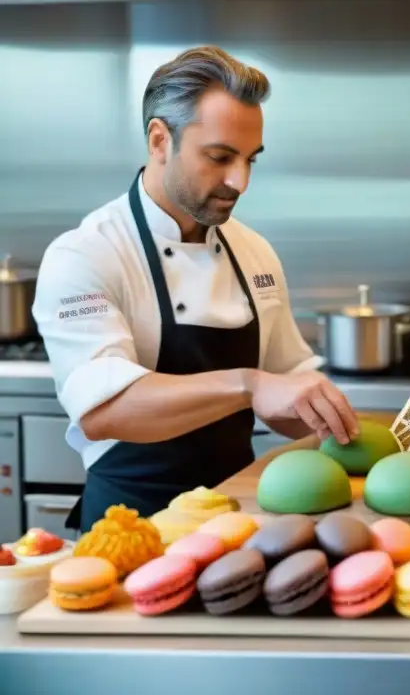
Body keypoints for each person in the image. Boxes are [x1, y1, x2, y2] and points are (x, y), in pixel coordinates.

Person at [32, 46, 358, 533]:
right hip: (132, 529)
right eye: (220, 157)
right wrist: (249, 384)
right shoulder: (85, 254)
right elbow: (103, 410)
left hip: (237, 523)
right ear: (160, 140)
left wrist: (335, 417)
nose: (240, 181)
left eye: (251, 159)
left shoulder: (254, 252)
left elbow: (288, 389)